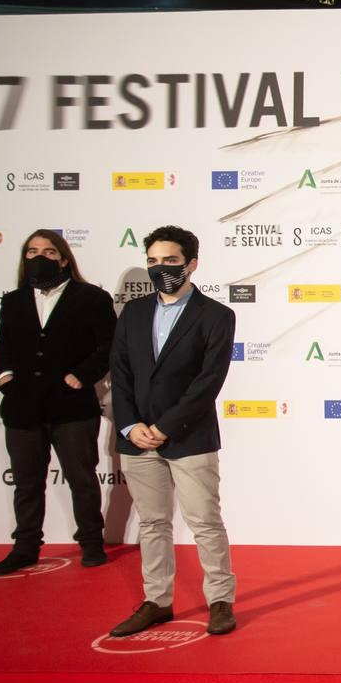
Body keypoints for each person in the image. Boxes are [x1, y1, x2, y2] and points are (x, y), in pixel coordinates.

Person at [107, 226, 238, 637]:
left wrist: (163, 427)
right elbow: (121, 373)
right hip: (136, 437)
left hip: (190, 437)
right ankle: (157, 601)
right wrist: (131, 425)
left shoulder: (217, 315)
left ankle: (220, 600)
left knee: (205, 521)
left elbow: (208, 382)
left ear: (191, 264)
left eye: (170, 261)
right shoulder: (134, 313)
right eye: (153, 261)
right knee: (153, 524)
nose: (160, 268)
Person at [0, 230, 117, 576]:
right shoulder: (13, 301)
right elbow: (3, 348)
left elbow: (108, 346)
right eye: (32, 251)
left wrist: (82, 375)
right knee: (27, 482)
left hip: (72, 408)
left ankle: (91, 543)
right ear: (24, 258)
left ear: (63, 258)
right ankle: (25, 547)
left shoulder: (91, 298)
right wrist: (5, 379)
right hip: (22, 409)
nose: (39, 257)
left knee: (81, 478)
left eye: (48, 251)